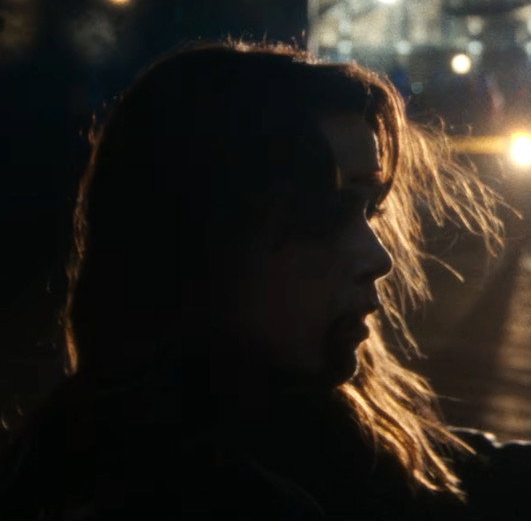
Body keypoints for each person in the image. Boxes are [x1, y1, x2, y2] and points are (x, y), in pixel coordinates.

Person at [0, 42, 503, 519]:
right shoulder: (157, 496)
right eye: (326, 213)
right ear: (196, 236)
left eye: (372, 211)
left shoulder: (339, 440)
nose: (379, 258)